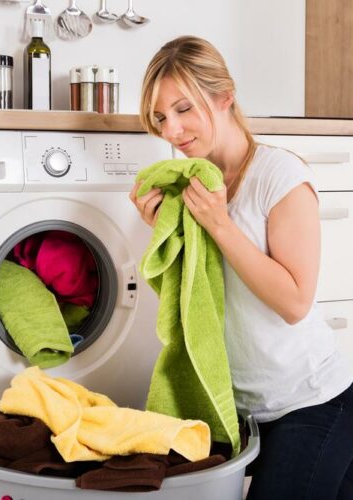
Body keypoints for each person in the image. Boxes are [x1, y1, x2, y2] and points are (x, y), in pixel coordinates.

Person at [130, 35, 353, 500]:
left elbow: (294, 303)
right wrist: (166, 233)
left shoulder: (281, 176)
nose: (172, 130)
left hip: (312, 400)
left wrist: (219, 224)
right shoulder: (194, 188)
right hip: (238, 406)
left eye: (183, 109)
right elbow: (198, 301)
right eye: (160, 117)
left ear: (225, 97)